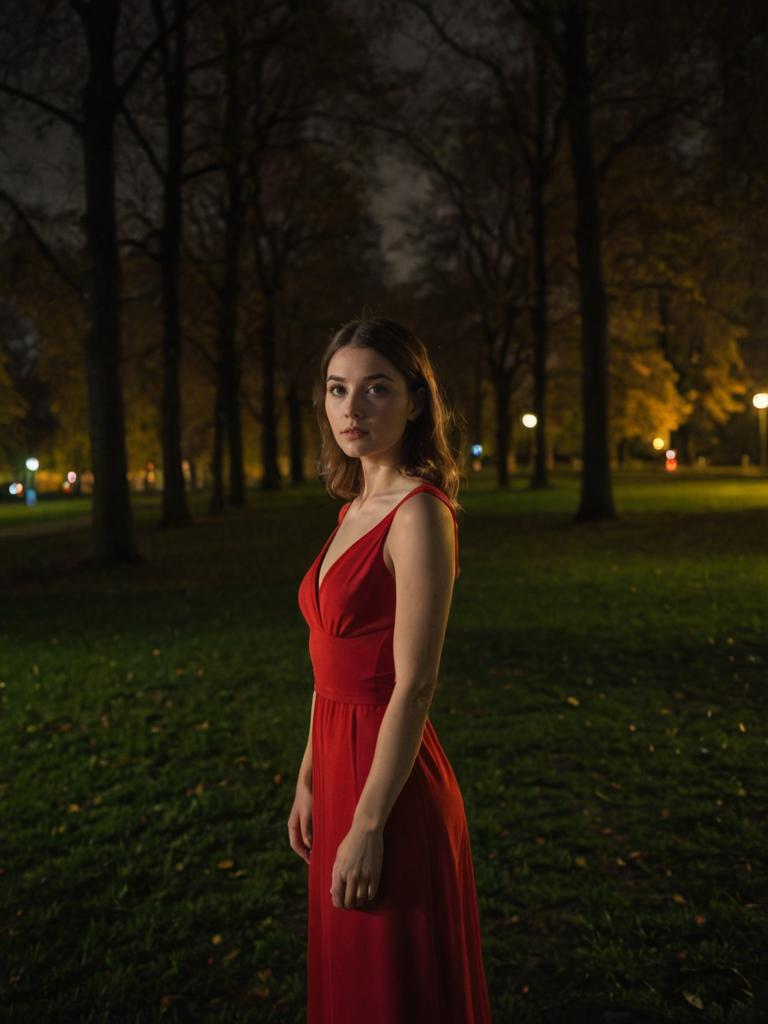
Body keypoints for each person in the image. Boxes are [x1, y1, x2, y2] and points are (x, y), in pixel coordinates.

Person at [289, 316, 493, 1023]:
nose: (353, 408)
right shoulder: (350, 509)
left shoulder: (418, 515)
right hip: (338, 770)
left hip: (391, 785)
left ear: (415, 401)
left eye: (376, 389)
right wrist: (308, 775)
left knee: (395, 991)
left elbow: (416, 684)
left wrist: (370, 823)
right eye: (338, 389)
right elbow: (327, 667)